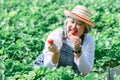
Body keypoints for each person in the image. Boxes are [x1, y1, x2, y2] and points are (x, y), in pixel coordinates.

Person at [34, 5, 95, 75]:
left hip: (68, 73)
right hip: (45, 67)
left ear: (85, 29)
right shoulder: (56, 35)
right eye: (72, 22)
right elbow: (48, 68)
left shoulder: (88, 41)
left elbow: (85, 72)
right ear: (67, 23)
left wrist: (77, 50)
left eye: (79, 24)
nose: (74, 26)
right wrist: (56, 53)